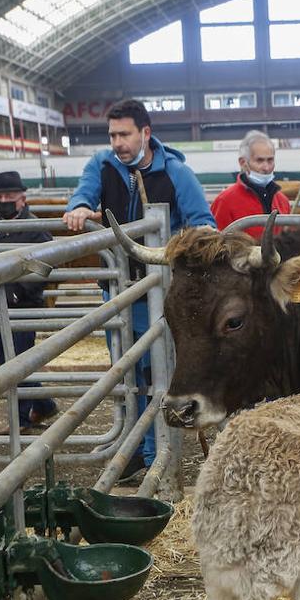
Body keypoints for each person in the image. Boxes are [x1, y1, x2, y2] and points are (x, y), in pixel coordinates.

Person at [62, 98, 214, 477]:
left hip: (160, 293)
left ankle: (152, 456)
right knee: (124, 370)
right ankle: (129, 445)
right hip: (116, 288)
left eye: (125, 134)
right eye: (112, 134)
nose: (117, 142)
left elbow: (204, 224)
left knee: (151, 372)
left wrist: (180, 246)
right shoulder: (102, 165)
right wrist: (80, 206)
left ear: (145, 133)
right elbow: (84, 191)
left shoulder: (176, 172)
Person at [0, 171, 58, 435]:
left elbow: (46, 265)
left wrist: (18, 291)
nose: (3, 200)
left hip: (22, 305)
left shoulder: (35, 229)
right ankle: (44, 405)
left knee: (18, 360)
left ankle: (20, 419)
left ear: (22, 198)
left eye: (9, 196)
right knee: (5, 361)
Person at [210, 130, 292, 239]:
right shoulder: (224, 202)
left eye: (270, 160)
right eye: (259, 161)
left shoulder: (283, 201)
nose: (266, 167)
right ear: (243, 163)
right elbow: (216, 247)